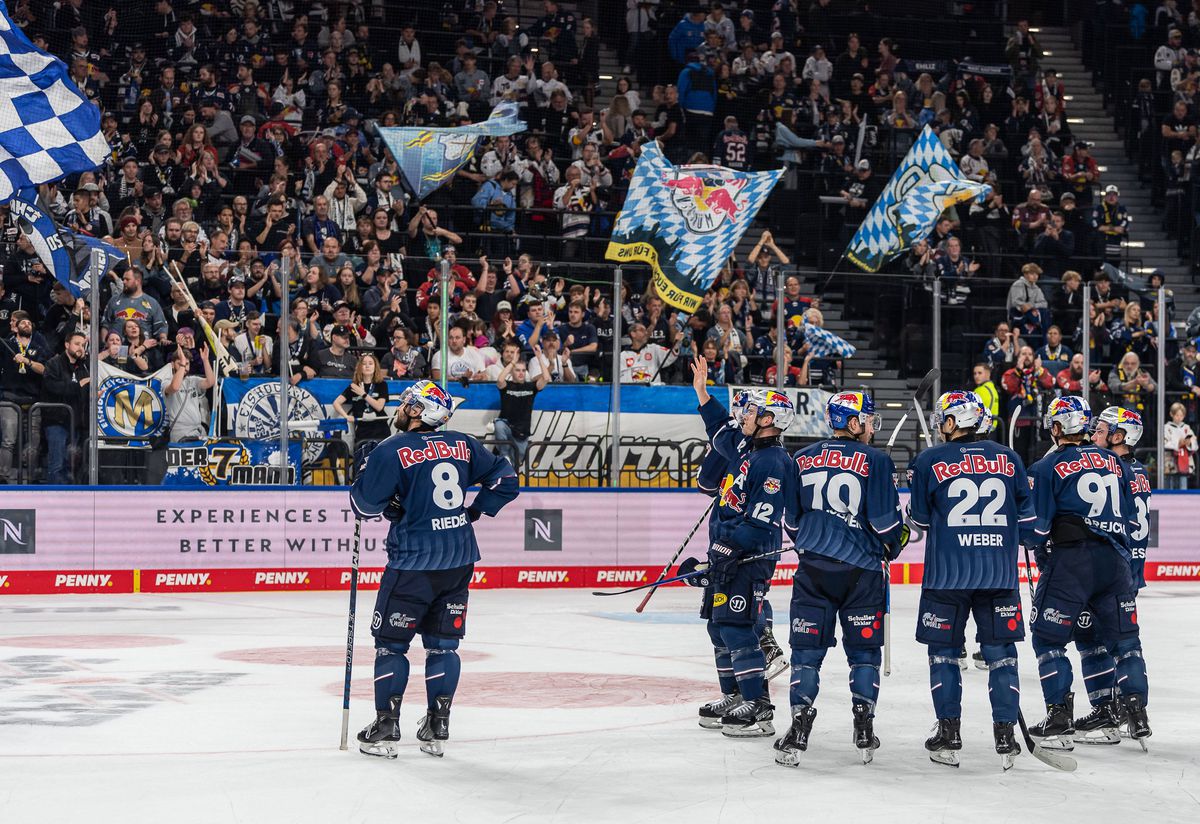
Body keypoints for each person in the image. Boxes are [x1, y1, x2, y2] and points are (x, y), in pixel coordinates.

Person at [350, 381, 519, 758]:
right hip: (459, 558)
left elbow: (364, 508)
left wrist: (362, 475)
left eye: (405, 403)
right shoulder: (463, 443)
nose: (400, 407)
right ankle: (437, 725)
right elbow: (507, 480)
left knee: (391, 645)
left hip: (413, 561)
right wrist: (474, 511)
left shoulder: (390, 449)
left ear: (415, 410)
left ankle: (386, 725)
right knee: (444, 645)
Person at [774, 392, 904, 766]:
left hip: (813, 571)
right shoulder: (876, 460)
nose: (870, 426)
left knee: (806, 654)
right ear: (852, 422)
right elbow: (885, 524)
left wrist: (816, 542)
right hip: (862, 574)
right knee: (863, 653)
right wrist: (897, 542)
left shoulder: (801, 457)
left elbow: (792, 522)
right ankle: (864, 724)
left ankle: (799, 724)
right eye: (866, 419)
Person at [907, 391, 1035, 769]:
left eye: (943, 418)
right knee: (1002, 658)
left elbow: (921, 521)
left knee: (943, 654)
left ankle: (949, 735)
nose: (939, 424)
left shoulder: (930, 459)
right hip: (999, 574)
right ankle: (1006, 735)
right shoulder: (1009, 458)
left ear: (953, 422)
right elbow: (1028, 524)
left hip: (947, 575)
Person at [1025, 397, 1151, 750]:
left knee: (1048, 639)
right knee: (1125, 643)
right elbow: (1128, 518)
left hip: (1072, 564)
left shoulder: (1047, 466)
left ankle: (1060, 718)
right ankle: (1135, 713)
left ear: (1056, 428)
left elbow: (1037, 528)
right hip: (1115, 564)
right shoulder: (1117, 464)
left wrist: (1025, 537)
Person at [679, 382, 795, 739]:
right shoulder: (747, 451)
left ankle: (758, 706)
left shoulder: (773, 461)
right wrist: (703, 396)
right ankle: (733, 697)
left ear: (769, 419)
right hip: (728, 552)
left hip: (749, 556)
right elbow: (718, 429)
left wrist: (729, 549)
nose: (743, 416)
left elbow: (761, 520)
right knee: (718, 626)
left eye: (751, 412)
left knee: (737, 627)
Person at [1068, 406, 1152, 745]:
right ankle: (1131, 711)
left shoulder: (1111, 471)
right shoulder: (1139, 471)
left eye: (1101, 430)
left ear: (1120, 437)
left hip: (1106, 570)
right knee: (1122, 642)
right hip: (1128, 570)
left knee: (1091, 641)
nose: (1093, 435)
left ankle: (1107, 712)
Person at [40, 331, 90, 484]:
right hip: (56, 421)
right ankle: (53, 502)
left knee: (71, 465)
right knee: (57, 464)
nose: (80, 348)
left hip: (75, 423)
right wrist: (78, 386)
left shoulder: (84, 367)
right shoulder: (53, 363)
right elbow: (52, 387)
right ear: (67, 345)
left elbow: (83, 393)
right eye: (77, 344)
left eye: (83, 345)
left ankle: (68, 503)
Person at [334, 354, 390, 465]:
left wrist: (363, 394)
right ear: (359, 367)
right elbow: (336, 403)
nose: (367, 366)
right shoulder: (354, 386)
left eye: (370, 363)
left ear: (375, 367)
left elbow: (379, 406)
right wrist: (346, 416)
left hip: (380, 429)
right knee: (362, 464)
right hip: (363, 431)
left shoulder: (381, 384)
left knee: (382, 463)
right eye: (364, 364)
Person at [494, 356, 548, 471]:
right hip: (506, 426)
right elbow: (499, 380)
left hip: (522, 431)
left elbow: (546, 378)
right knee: (499, 424)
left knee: (515, 466)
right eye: (517, 370)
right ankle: (504, 455)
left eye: (523, 370)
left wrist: (539, 358)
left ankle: (510, 479)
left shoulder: (531, 386)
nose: (521, 373)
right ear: (512, 372)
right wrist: (512, 362)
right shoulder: (506, 386)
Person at [164, 342, 215, 441]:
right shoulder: (166, 381)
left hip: (198, 430)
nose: (185, 367)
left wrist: (205, 360)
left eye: (187, 364)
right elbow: (174, 387)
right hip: (180, 432)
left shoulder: (193, 380)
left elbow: (210, 382)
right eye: (181, 363)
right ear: (172, 365)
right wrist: (182, 365)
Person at [1164, 402, 1197, 489]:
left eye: (1181, 415)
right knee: (1169, 484)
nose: (1179, 418)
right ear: (1171, 414)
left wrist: (1189, 443)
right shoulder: (1166, 428)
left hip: (1184, 459)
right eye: (1177, 415)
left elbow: (1195, 444)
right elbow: (1163, 443)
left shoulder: (1187, 428)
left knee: (1183, 484)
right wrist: (1178, 443)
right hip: (1170, 460)